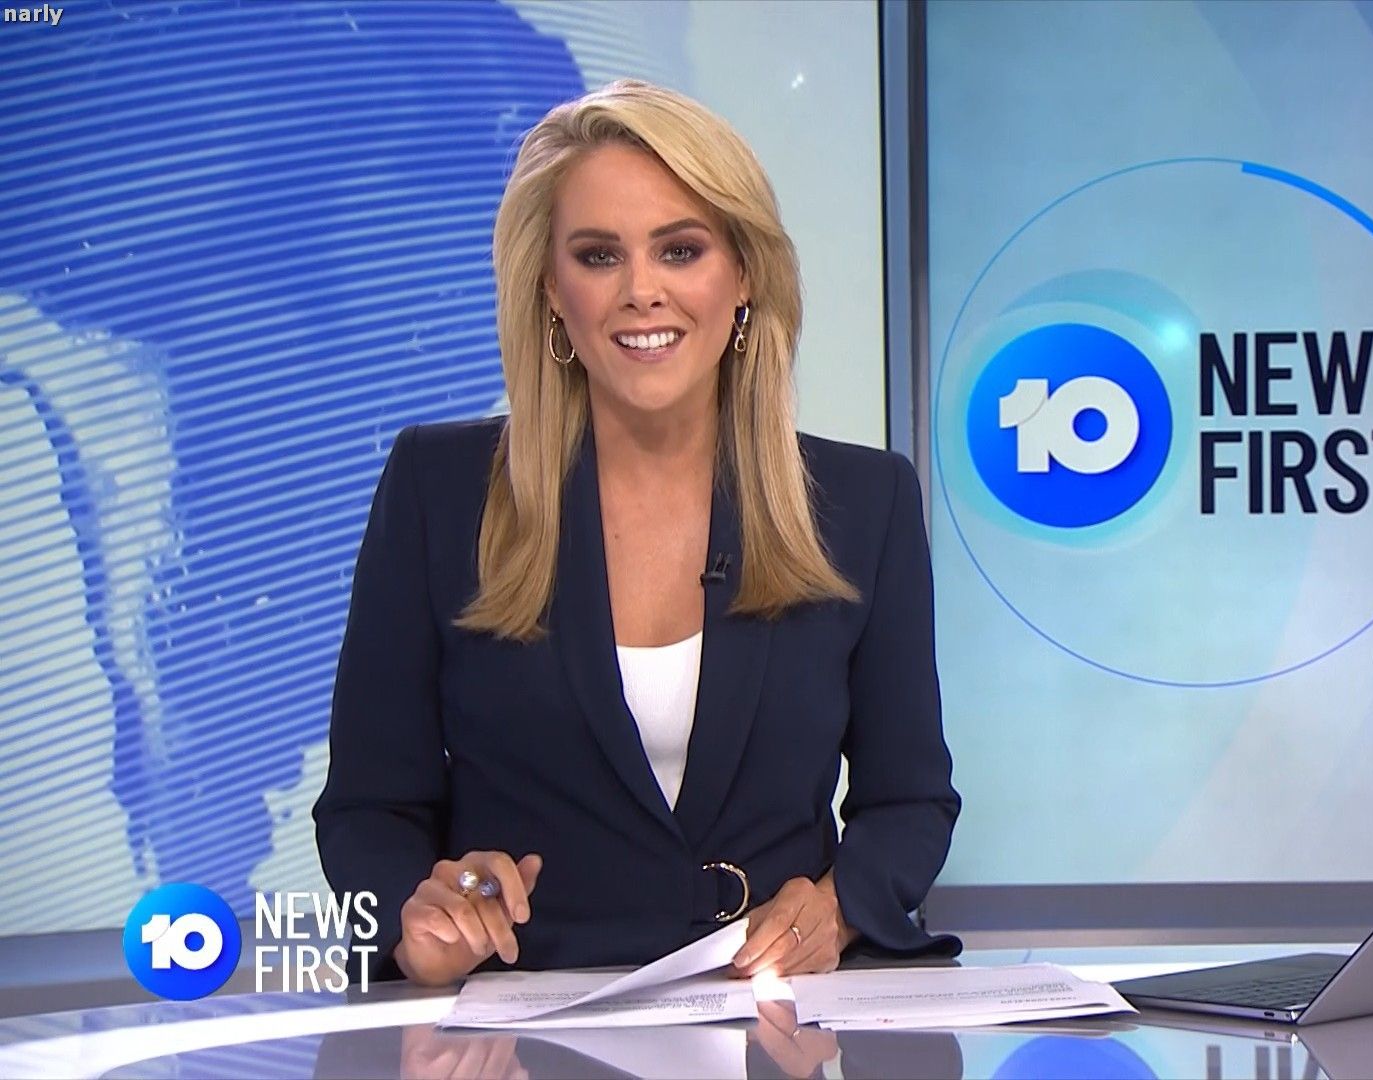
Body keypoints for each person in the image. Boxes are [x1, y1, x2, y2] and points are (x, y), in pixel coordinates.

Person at [312, 79, 960, 987]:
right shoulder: (439, 490)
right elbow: (369, 810)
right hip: (523, 1020)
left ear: (744, 276)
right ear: (551, 289)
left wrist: (840, 907)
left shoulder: (864, 502)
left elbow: (910, 801)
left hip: (772, 1021)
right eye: (599, 256)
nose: (642, 292)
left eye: (680, 250)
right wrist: (415, 922)